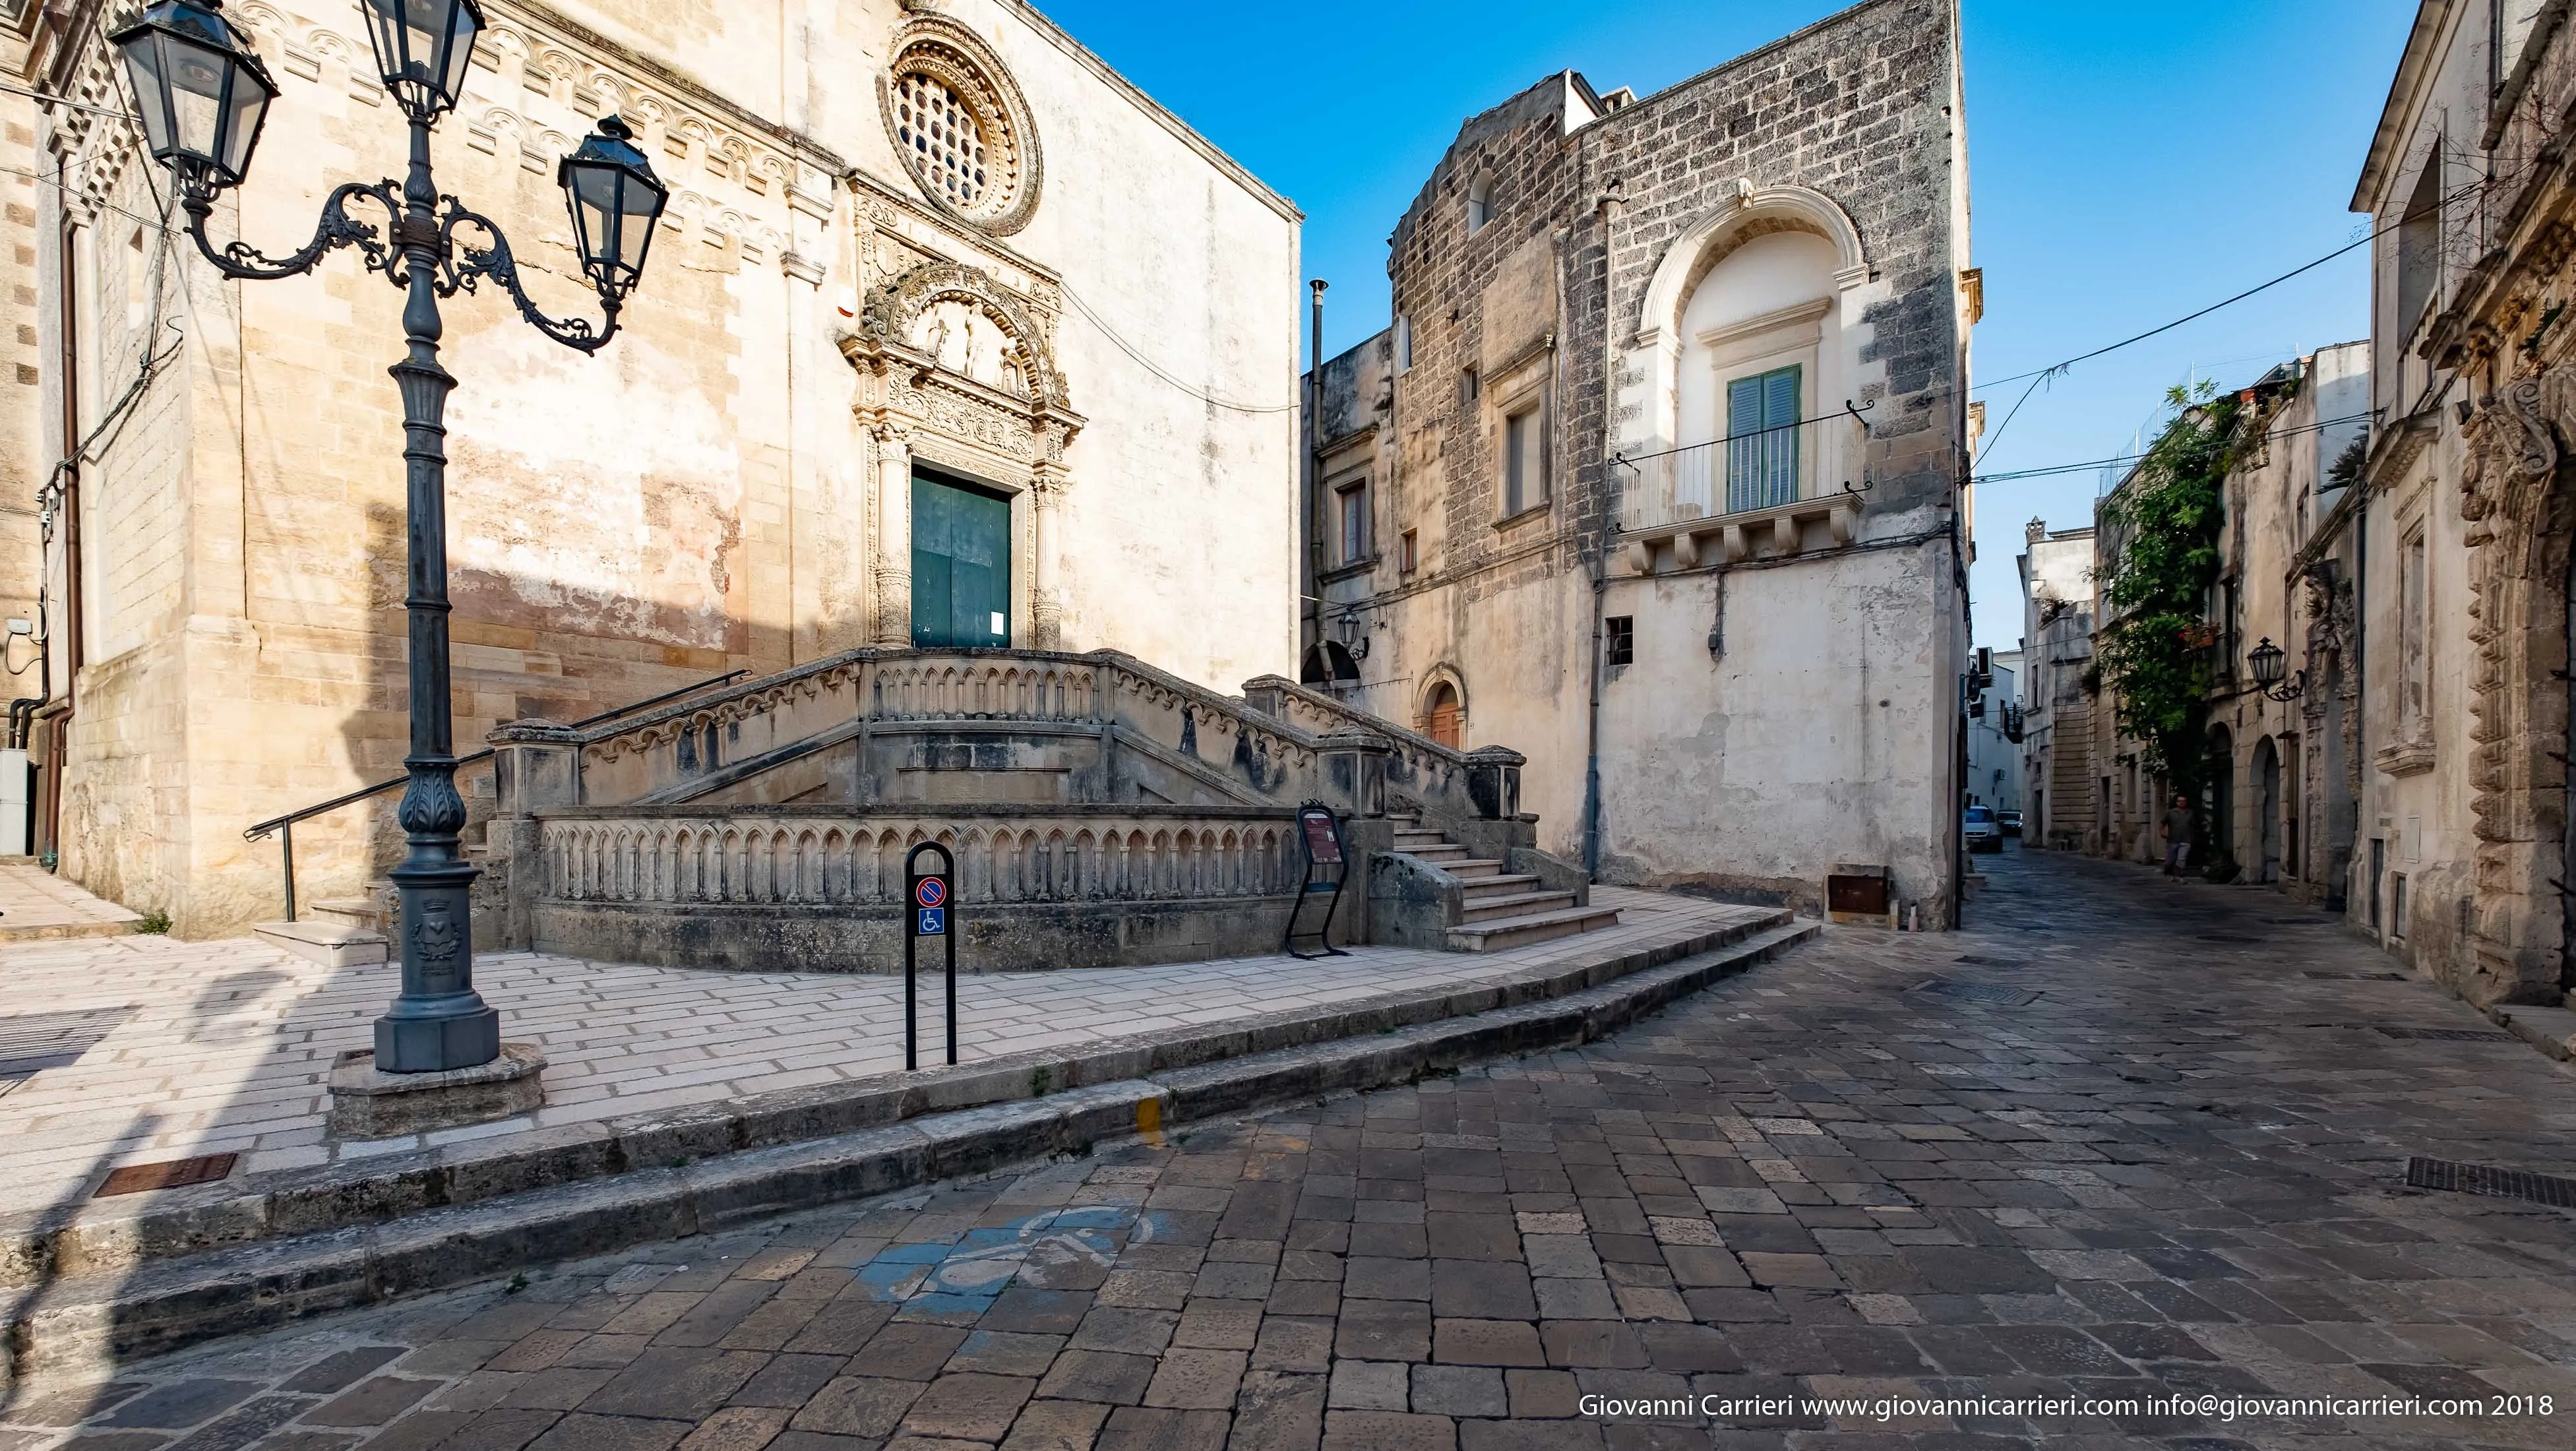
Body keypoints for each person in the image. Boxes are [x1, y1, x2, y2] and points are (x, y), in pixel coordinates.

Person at [2161, 795, 2194, 877]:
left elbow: (2193, 826)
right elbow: (2163, 823)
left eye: (2183, 801)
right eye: (2180, 801)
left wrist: (2192, 837)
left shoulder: (2190, 813)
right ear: (2177, 803)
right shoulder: (2171, 812)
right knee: (2171, 860)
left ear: (2186, 803)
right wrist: (2162, 832)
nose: (2181, 803)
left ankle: (2179, 873)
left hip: (2186, 840)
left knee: (2182, 858)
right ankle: (2168, 870)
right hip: (2173, 840)